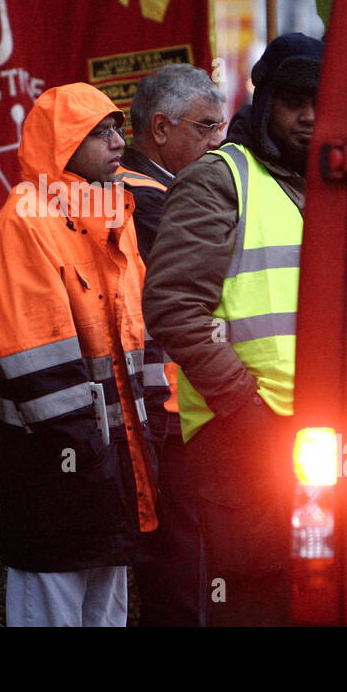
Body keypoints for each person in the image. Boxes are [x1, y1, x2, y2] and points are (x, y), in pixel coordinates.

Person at [0, 82, 169, 627]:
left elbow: (141, 341)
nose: (116, 142)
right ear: (63, 146)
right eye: (99, 132)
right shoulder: (26, 226)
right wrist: (96, 456)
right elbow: (40, 366)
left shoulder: (112, 217)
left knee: (105, 616)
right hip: (56, 477)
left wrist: (150, 442)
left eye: (116, 129)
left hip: (112, 472)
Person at [142, 33, 322, 627]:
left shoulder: (330, 185)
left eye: (321, 101)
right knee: (254, 602)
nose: (310, 116)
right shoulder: (221, 177)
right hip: (244, 436)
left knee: (319, 595)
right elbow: (174, 307)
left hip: (320, 438)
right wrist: (245, 408)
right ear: (265, 99)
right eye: (295, 101)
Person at [117, 63, 226, 627]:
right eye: (206, 128)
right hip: (169, 404)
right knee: (184, 563)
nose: (219, 140)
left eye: (221, 125)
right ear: (160, 129)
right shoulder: (143, 199)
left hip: (175, 400)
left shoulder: (160, 191)